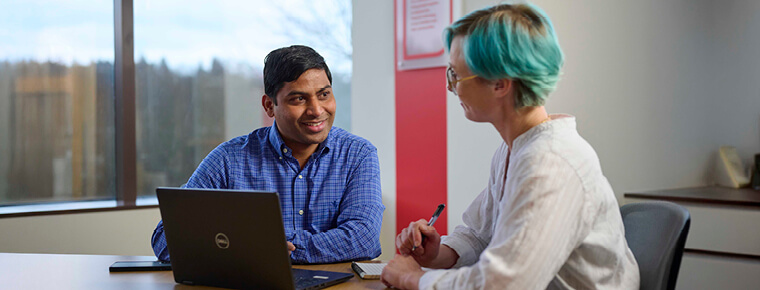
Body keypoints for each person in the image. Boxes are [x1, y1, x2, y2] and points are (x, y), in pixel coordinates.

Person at [381, 4, 639, 289]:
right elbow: (480, 235)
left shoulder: (551, 163)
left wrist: (413, 278)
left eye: (455, 75)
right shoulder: (515, 150)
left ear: (500, 84)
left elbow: (505, 283)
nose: (451, 87)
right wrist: (439, 253)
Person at [151, 45, 384, 264]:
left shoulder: (358, 155)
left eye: (323, 95)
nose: (316, 110)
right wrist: (254, 249)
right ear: (269, 106)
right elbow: (165, 239)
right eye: (299, 99)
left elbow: (363, 239)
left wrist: (269, 246)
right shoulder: (228, 160)